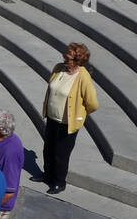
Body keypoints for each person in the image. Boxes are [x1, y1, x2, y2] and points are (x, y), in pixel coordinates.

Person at [41, 42, 99, 194]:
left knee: (61, 154)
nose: (63, 58)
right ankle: (47, 175)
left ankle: (59, 182)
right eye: (65, 55)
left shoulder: (83, 77)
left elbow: (92, 103)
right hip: (52, 118)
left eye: (67, 57)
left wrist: (80, 115)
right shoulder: (58, 68)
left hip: (67, 123)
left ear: (78, 60)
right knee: (48, 149)